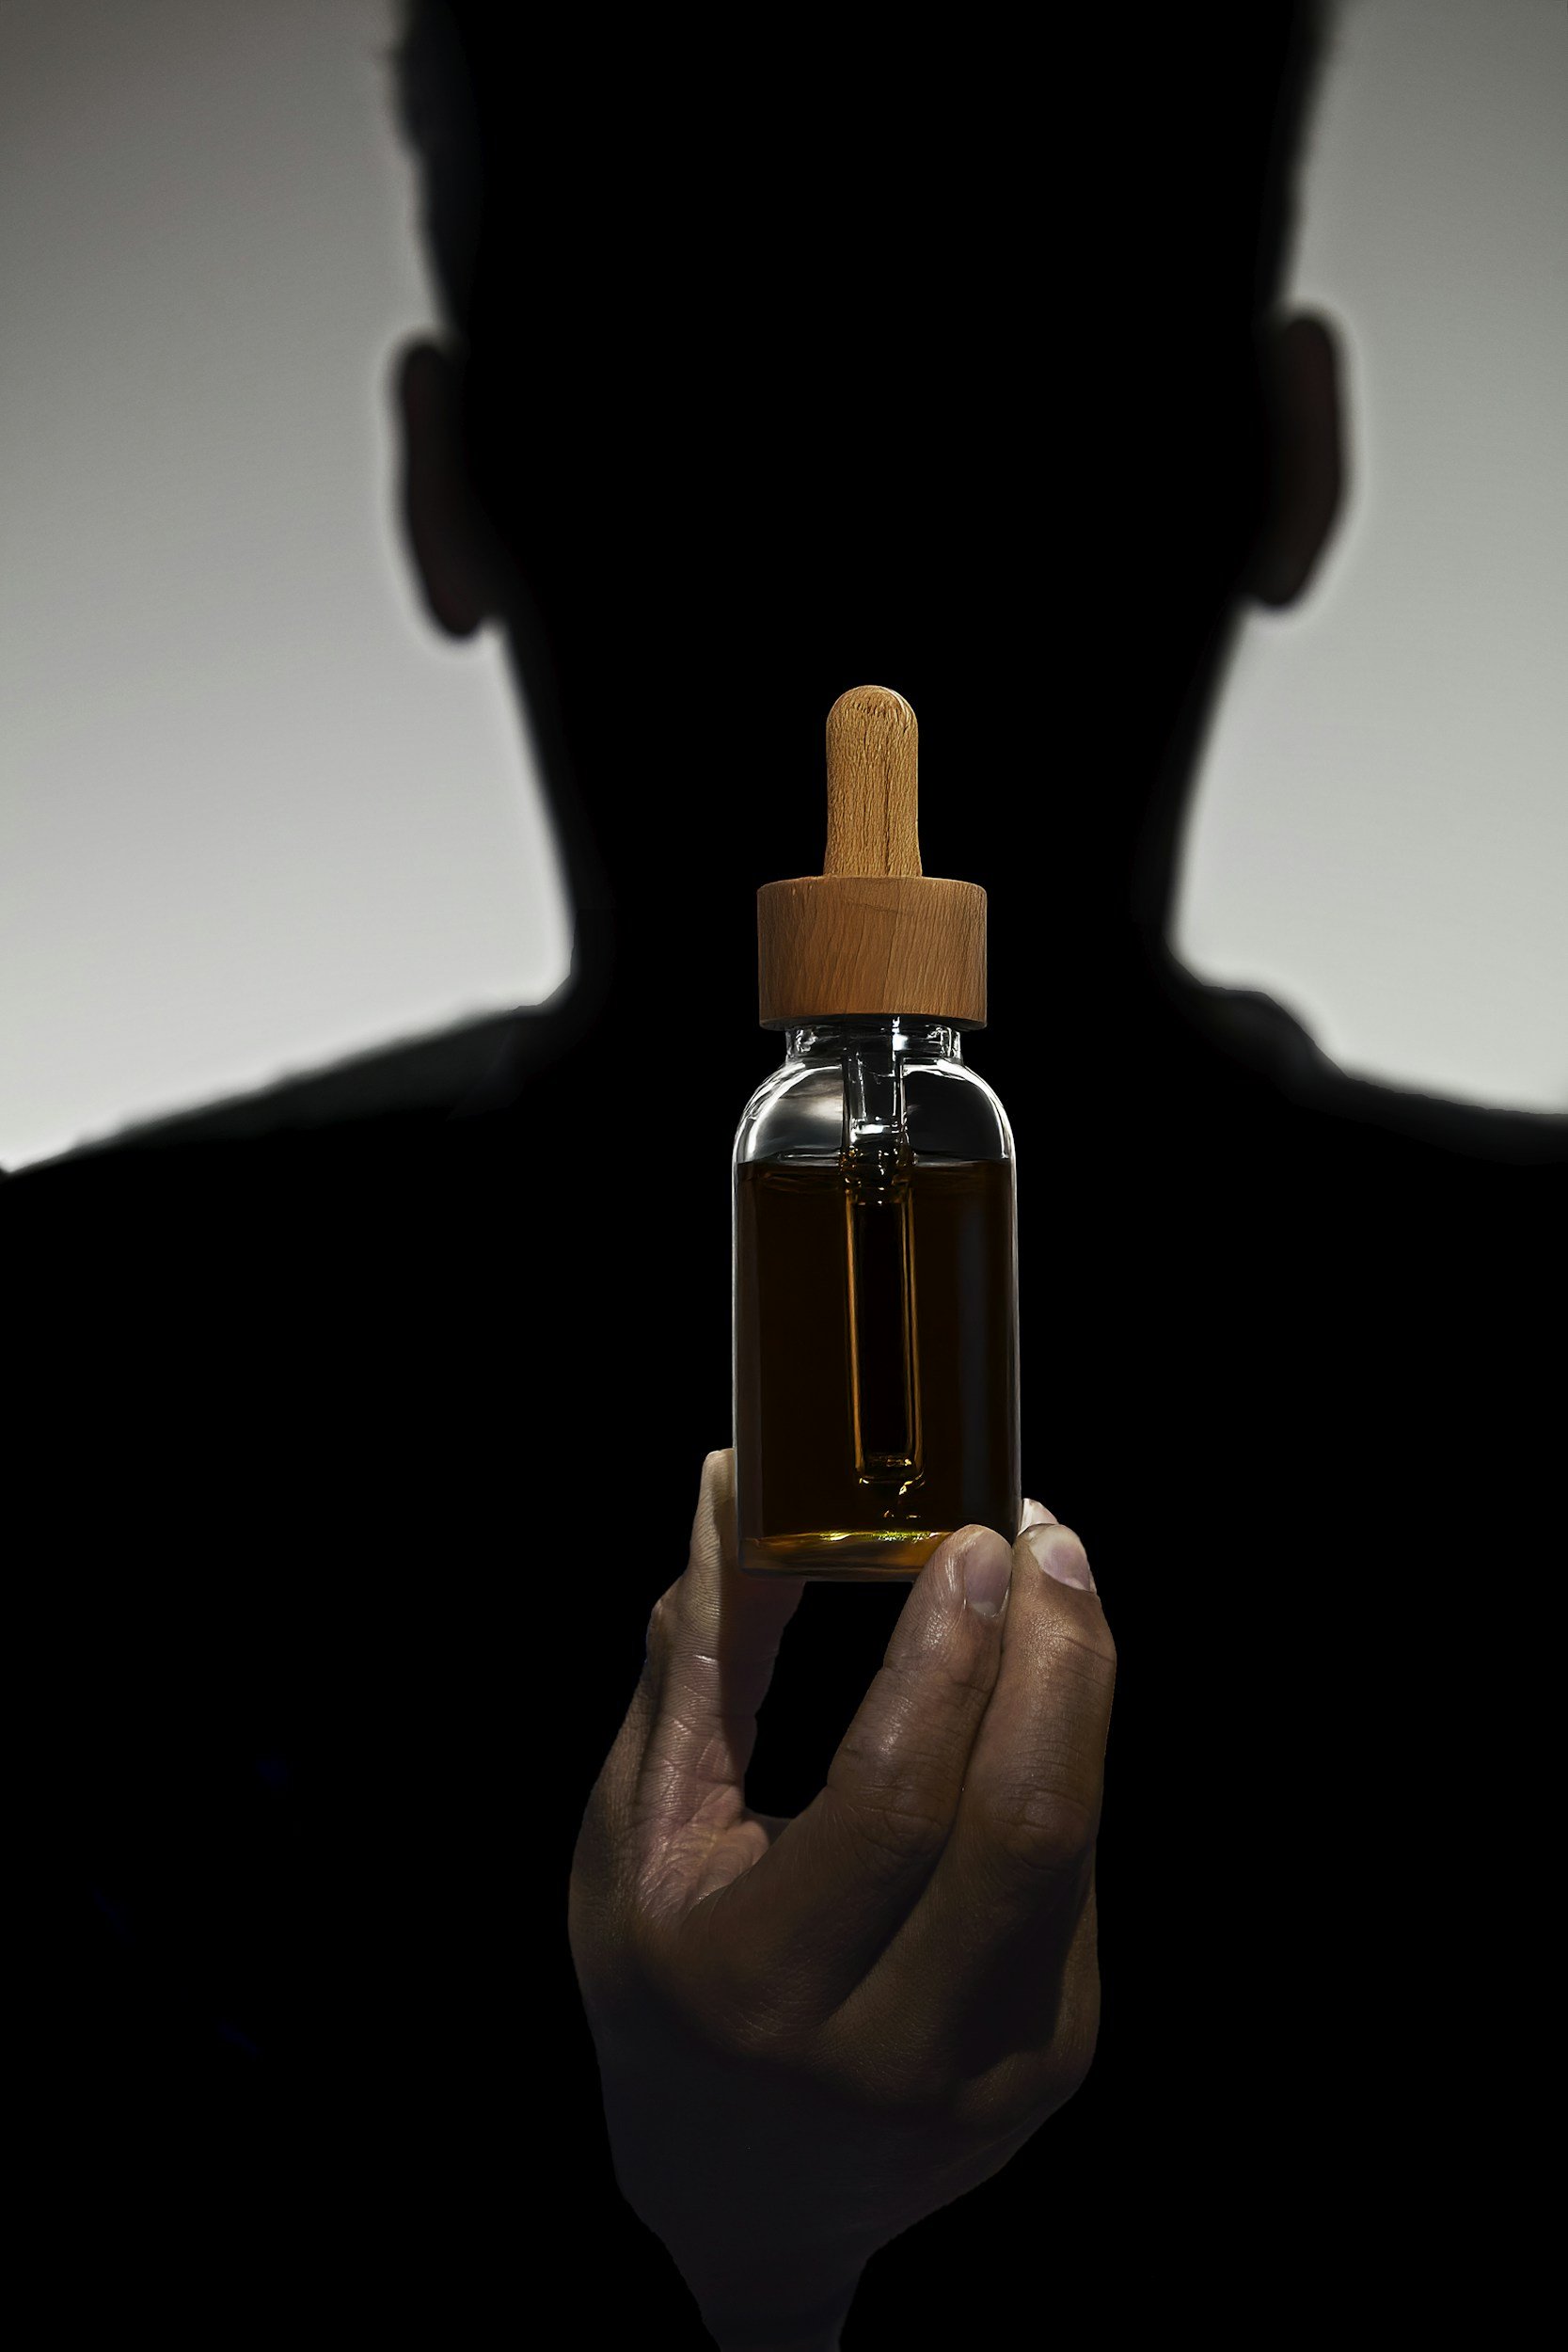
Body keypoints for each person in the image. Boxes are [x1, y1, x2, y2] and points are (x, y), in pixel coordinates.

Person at [17, 3, 1562, 2340]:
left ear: (437, 473)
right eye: (720, 382)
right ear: (1294, 453)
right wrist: (755, 2267)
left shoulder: (84, 1396)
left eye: (1007, 361)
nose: (869, 533)